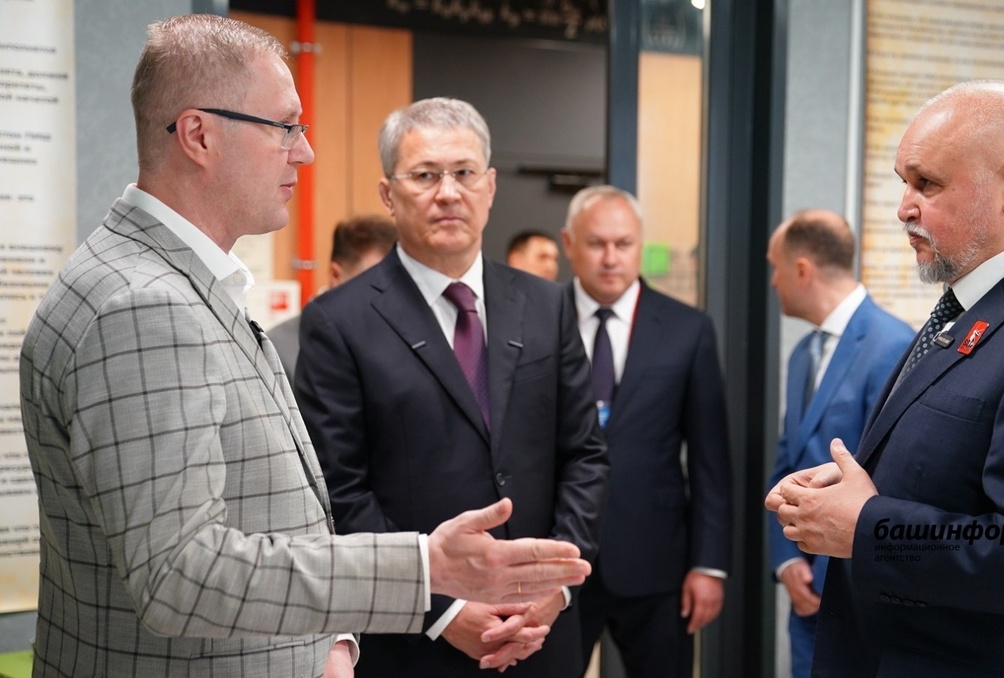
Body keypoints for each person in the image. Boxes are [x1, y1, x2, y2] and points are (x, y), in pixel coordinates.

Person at [17, 15, 590, 678]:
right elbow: (180, 575)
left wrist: (332, 641)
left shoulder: (180, 282)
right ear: (199, 135)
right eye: (284, 127)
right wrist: (424, 569)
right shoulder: (144, 306)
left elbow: (279, 509)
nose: (305, 152)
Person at [765, 80, 1004, 676]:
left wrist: (867, 526)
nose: (904, 207)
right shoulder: (978, 302)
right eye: (904, 183)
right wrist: (850, 494)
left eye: (927, 184)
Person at [295, 97, 608, 677]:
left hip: (542, 635)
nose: (448, 193)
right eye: (424, 175)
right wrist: (441, 611)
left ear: (490, 186)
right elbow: (340, 490)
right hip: (415, 646)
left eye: (464, 172)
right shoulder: (339, 322)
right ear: (388, 194)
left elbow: (584, 454)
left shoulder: (547, 304)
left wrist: (556, 587)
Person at [559, 185, 732, 678]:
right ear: (569, 243)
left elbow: (711, 460)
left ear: (639, 244)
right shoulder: (538, 320)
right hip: (558, 554)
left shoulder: (687, 328)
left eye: (624, 243)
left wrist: (709, 564)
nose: (611, 258)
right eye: (596, 244)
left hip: (657, 560)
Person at [764, 209, 913, 678]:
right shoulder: (801, 355)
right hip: (805, 592)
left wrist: (826, 568)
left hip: (860, 592)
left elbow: (892, 480)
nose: (773, 281)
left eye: (775, 268)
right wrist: (786, 561)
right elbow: (786, 463)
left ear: (802, 270)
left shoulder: (895, 345)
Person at [270, 213, 398, 384]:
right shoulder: (278, 349)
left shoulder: (401, 339)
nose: (388, 293)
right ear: (336, 275)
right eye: (375, 281)